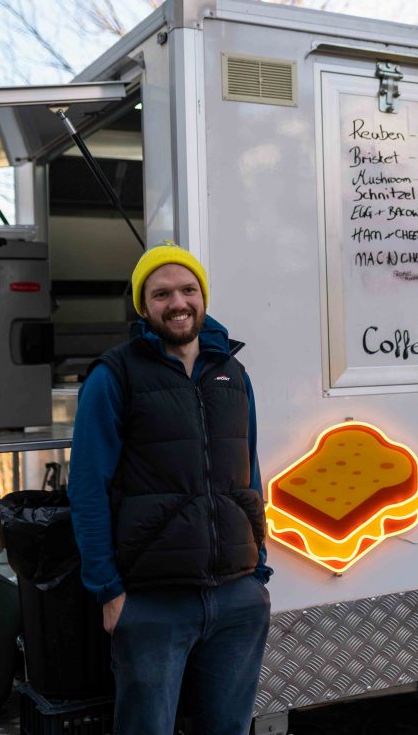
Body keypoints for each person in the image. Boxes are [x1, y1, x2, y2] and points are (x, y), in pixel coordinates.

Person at [69, 241, 272, 735]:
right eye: (161, 294)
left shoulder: (233, 372)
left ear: (203, 296)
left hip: (235, 596)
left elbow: (249, 471)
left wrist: (257, 569)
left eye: (188, 290)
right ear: (143, 306)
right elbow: (87, 486)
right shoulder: (113, 375)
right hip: (151, 601)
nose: (178, 303)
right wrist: (109, 591)